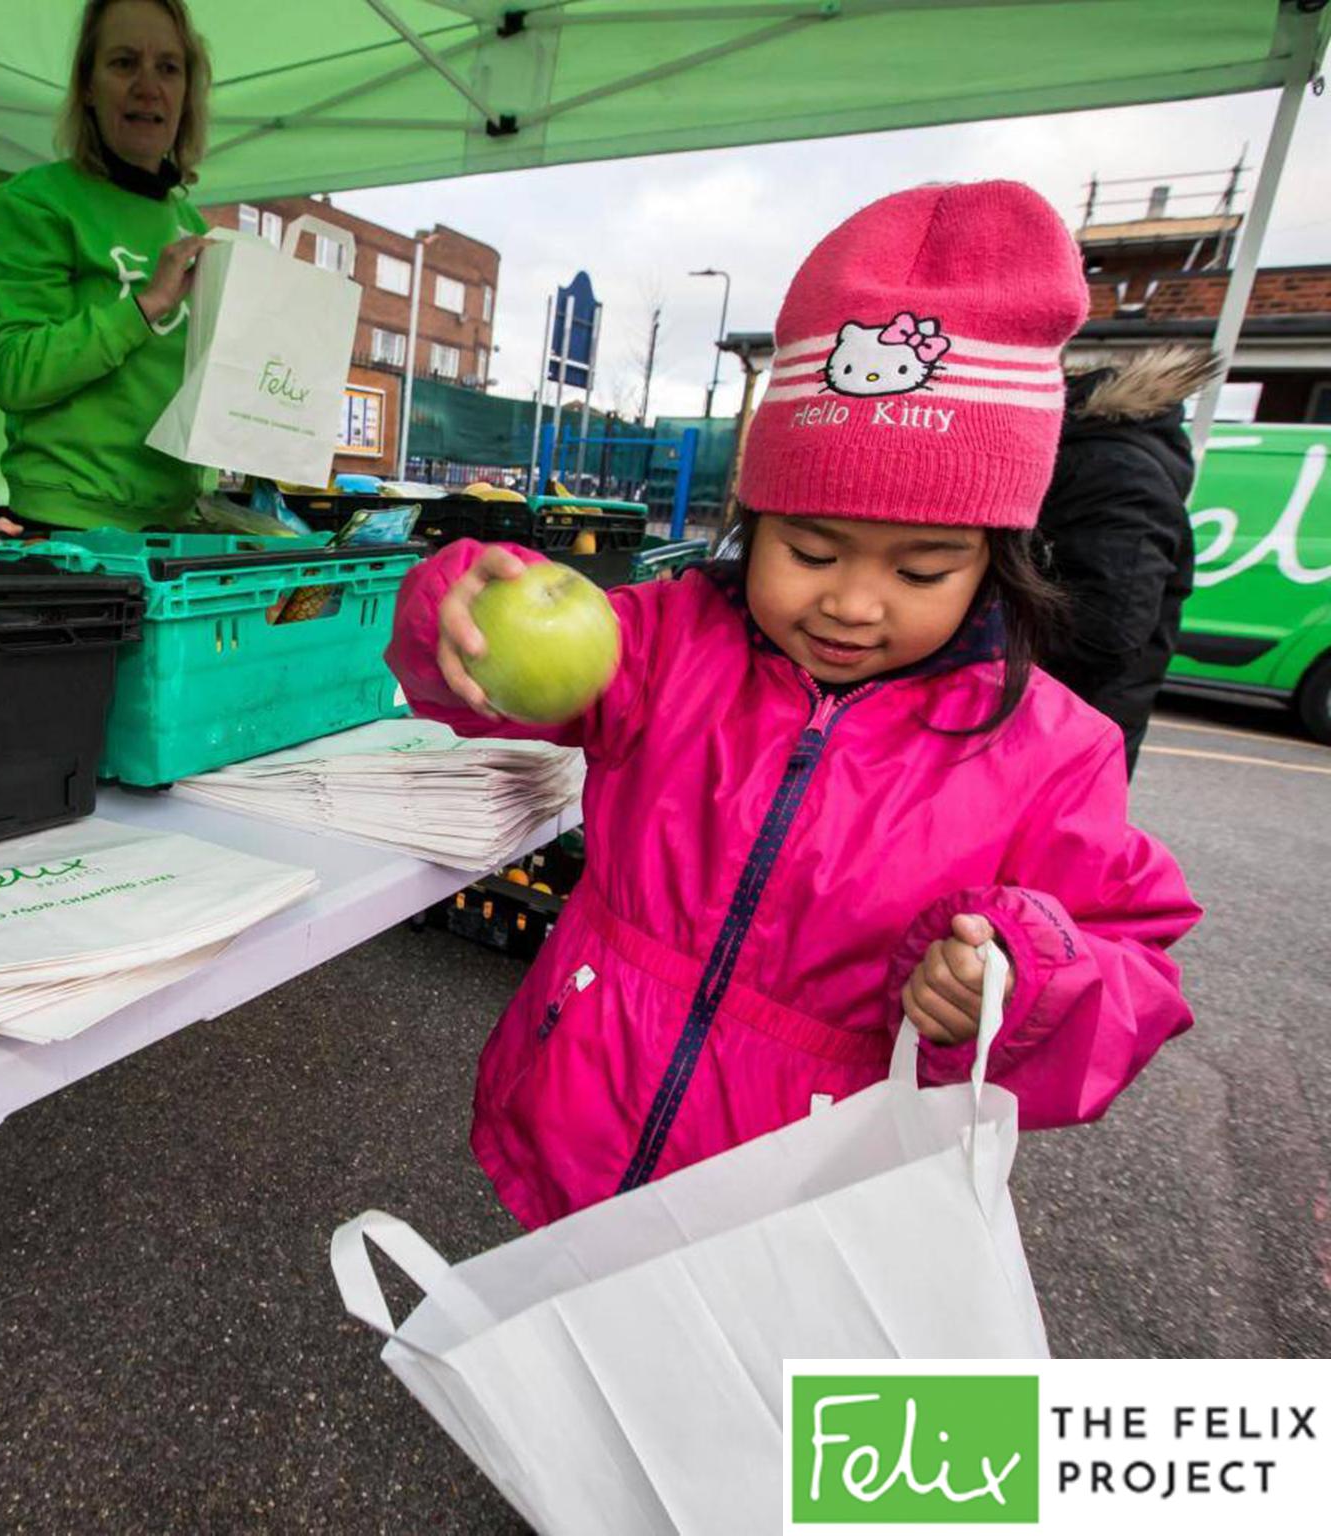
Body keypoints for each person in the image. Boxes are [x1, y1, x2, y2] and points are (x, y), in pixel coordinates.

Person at [386, 182, 1201, 1229]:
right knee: (556, 1370)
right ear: (751, 522)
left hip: (799, 1202)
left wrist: (1021, 979)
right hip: (578, 1121)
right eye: (809, 550)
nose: (851, 603)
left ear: (995, 563)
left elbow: (1129, 959)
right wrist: (452, 603)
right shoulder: (668, 641)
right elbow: (475, 692)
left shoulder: (1049, 749)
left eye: (920, 570)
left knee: (726, 1389)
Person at [0, 0, 213, 531]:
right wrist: (145, 307)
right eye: (124, 63)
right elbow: (13, 371)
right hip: (66, 528)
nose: (148, 86)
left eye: (168, 69)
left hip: (174, 529)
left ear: (186, 93)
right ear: (87, 84)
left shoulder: (191, 223)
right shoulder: (34, 203)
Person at [1038, 346, 1221, 772]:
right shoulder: (1103, 457)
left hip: (1063, 743)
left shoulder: (1113, 467)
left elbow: (1102, 634)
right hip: (1061, 733)